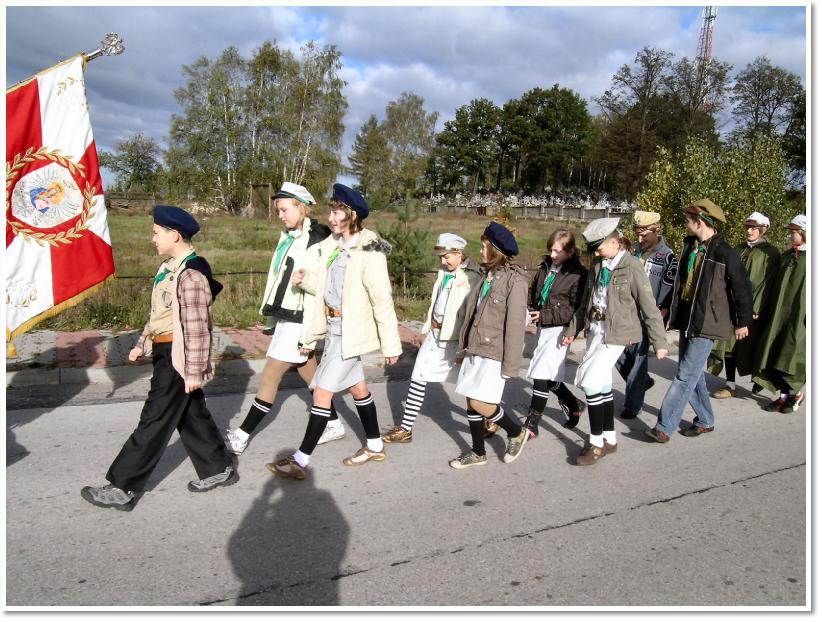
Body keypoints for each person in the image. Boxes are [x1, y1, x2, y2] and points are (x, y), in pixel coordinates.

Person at [81, 205, 236, 511]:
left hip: (180, 357)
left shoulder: (191, 274)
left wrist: (194, 372)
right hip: (166, 350)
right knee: (190, 414)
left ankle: (122, 487)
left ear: (174, 235)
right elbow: (159, 316)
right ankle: (219, 468)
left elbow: (197, 331)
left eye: (156, 232)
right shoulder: (168, 268)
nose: (152, 238)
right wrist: (142, 342)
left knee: (153, 419)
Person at [267, 184, 402, 479]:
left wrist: (391, 346)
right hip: (334, 329)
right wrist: (307, 281)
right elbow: (331, 290)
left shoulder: (370, 248)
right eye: (330, 209)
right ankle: (375, 446)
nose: (331, 216)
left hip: (350, 333)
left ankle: (300, 461)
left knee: (321, 392)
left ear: (351, 215)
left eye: (337, 210)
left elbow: (382, 298)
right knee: (358, 389)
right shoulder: (333, 246)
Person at [224, 182, 341, 455]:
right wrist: (271, 317)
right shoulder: (289, 235)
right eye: (279, 210)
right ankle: (334, 423)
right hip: (287, 317)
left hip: (301, 320)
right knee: (310, 374)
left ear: (301, 206)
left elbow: (319, 286)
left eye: (285, 209)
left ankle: (241, 436)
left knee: (270, 375)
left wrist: (310, 334)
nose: (281, 215)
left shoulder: (317, 238)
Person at [646, 199, 753, 444]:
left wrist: (742, 321)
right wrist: (666, 308)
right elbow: (680, 285)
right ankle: (705, 419)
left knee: (684, 375)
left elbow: (742, 289)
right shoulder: (690, 246)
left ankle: (664, 427)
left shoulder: (725, 252)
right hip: (688, 318)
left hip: (708, 322)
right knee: (692, 375)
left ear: (701, 221)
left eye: (689, 218)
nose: (685, 221)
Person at [563, 217, 668, 465]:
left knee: (589, 384)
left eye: (600, 247)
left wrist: (659, 341)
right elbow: (587, 301)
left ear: (614, 241)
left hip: (618, 333)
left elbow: (648, 305)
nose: (596, 252)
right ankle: (610, 439)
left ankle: (596, 444)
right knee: (600, 386)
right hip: (596, 330)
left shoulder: (632, 266)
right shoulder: (599, 266)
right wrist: (573, 329)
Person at [381, 233, 481, 444]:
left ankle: (490, 418)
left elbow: (472, 314)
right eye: (441, 257)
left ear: (459, 253)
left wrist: (466, 346)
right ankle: (406, 429)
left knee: (468, 385)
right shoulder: (444, 272)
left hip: (455, 341)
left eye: (447, 257)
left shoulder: (472, 277)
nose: (443, 261)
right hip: (435, 336)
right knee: (418, 376)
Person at [448, 222, 531, 470]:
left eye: (485, 247)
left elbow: (515, 327)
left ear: (496, 250)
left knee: (480, 403)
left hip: (495, 352)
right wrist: (463, 348)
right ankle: (477, 452)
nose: (481, 251)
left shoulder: (515, 282)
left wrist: (511, 366)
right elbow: (472, 315)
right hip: (476, 346)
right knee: (471, 398)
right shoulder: (487, 275)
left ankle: (516, 432)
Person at [708, 211, 780, 399]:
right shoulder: (738, 249)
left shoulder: (770, 253)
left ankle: (760, 380)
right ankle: (730, 384)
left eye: (754, 227)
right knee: (729, 345)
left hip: (757, 310)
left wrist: (756, 308)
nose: (750, 231)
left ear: (763, 230)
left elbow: (768, 282)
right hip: (734, 306)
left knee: (754, 346)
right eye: (748, 227)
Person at [522, 228, 587, 437]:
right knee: (548, 377)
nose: (552, 255)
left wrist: (545, 315)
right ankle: (573, 403)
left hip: (560, 329)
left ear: (569, 251)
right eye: (551, 250)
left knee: (540, 375)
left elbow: (573, 309)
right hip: (542, 326)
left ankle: (532, 424)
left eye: (557, 251)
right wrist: (530, 307)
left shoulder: (577, 274)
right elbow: (534, 290)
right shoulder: (546, 266)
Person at [615, 210, 677, 419]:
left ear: (656, 230)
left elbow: (671, 286)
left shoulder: (667, 255)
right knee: (618, 355)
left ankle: (633, 405)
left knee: (639, 361)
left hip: (649, 315)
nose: (640, 239)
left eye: (645, 235)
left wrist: (663, 309)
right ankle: (643, 383)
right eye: (637, 234)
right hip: (627, 313)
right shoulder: (634, 251)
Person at [752, 214, 806, 413]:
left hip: (800, 318)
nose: (792, 236)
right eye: (791, 232)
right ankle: (783, 397)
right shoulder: (787, 256)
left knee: (793, 356)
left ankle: (796, 394)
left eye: (795, 232)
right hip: (778, 315)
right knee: (776, 352)